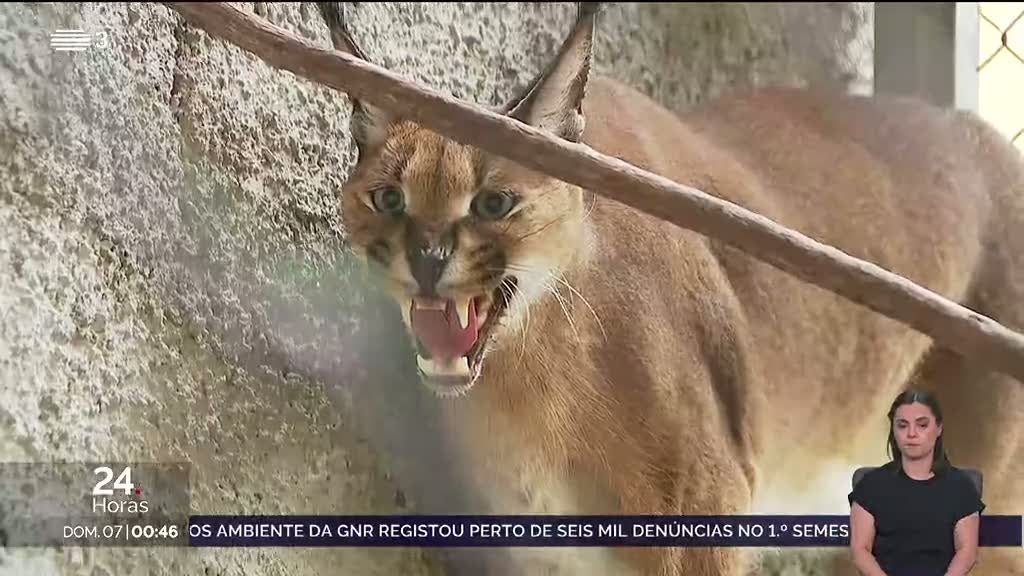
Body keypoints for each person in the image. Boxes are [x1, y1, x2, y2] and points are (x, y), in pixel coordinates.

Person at [848, 387, 985, 576]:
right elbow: (860, 551)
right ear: (893, 430)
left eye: (922, 425)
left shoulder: (961, 487)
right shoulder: (871, 485)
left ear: (938, 428)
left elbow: (967, 552)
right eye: (902, 425)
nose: (911, 434)